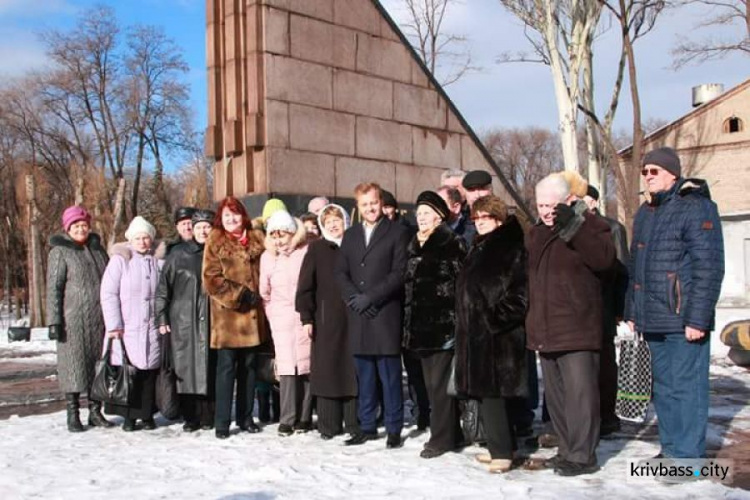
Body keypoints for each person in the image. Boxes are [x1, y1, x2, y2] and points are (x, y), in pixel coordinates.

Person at [625, 147, 724, 459]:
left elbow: (708, 266)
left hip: (683, 320)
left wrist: (698, 318)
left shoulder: (696, 207)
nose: (648, 176)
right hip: (651, 318)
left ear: (673, 173)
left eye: (654, 171)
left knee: (687, 390)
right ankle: (670, 449)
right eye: (644, 171)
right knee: (663, 390)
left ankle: (687, 457)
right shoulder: (645, 211)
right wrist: (632, 312)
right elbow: (635, 267)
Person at [526, 174, 615, 476]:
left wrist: (574, 227)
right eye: (540, 205)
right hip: (545, 328)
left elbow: (604, 260)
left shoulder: (590, 224)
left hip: (577, 326)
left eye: (552, 205)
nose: (546, 212)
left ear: (568, 201)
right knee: (558, 398)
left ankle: (582, 455)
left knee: (581, 397)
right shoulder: (536, 232)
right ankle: (566, 449)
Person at [455, 195, 528, 473]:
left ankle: (502, 452)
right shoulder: (480, 247)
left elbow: (519, 296)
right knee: (486, 394)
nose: (480, 223)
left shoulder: (510, 248)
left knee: (495, 394)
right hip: (475, 336)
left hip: (498, 337)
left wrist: (490, 320)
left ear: (498, 218)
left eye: (486, 217)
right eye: (476, 218)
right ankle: (500, 446)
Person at [335, 182, 410, 449]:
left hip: (384, 313)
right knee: (364, 376)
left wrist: (372, 297)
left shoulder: (397, 232)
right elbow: (341, 272)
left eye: (374, 203)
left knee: (389, 377)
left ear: (381, 203)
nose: (370, 208)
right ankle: (366, 426)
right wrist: (354, 297)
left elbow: (399, 273)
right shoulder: (351, 234)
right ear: (358, 207)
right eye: (365, 204)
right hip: (358, 313)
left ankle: (393, 428)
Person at [403, 191, 466, 459]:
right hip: (420, 328)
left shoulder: (452, 242)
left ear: (440, 217)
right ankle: (453, 432)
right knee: (431, 385)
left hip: (442, 327)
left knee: (440, 386)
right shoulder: (415, 244)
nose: (421, 219)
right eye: (418, 214)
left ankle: (441, 439)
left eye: (427, 214)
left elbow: (461, 283)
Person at [203, 197, 268, 439]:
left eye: (236, 214)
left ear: (244, 216)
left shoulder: (256, 239)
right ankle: (222, 421)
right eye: (227, 215)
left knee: (249, 369)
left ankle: (245, 416)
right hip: (228, 318)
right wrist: (239, 294)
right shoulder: (215, 240)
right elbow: (211, 278)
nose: (232, 219)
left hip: (252, 317)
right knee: (226, 369)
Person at [46, 205, 113, 432]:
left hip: (99, 319)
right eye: (76, 225)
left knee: (97, 367)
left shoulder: (98, 250)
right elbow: (54, 288)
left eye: (84, 225)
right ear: (68, 228)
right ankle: (72, 413)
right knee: (73, 367)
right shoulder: (60, 252)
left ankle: (95, 412)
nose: (81, 229)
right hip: (72, 320)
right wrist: (54, 321)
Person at [296, 204, 359, 440]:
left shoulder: (356, 245)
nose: (334, 224)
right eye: (329, 220)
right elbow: (305, 287)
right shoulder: (316, 249)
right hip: (326, 320)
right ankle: (329, 424)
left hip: (354, 318)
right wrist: (307, 317)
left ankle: (354, 422)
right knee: (327, 369)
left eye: (337, 219)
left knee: (352, 370)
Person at [100, 216, 166, 431]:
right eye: (138, 237)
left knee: (149, 373)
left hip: (152, 326)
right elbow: (108, 293)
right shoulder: (120, 260)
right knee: (129, 372)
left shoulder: (159, 261)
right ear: (130, 239)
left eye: (146, 237)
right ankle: (128, 416)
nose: (143, 242)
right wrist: (114, 324)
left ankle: (147, 415)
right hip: (127, 327)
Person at [155, 209, 217, 432]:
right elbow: (163, 289)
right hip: (184, 321)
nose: (202, 231)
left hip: (212, 320)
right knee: (187, 369)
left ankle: (210, 414)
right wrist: (161, 316)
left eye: (206, 227)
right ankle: (190, 416)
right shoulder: (178, 255)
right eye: (198, 227)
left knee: (210, 367)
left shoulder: (218, 253)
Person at [260, 210, 312, 437]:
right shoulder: (267, 258)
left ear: (293, 233)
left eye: (283, 235)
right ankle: (287, 417)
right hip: (281, 318)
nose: (279, 240)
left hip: (304, 316)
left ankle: (305, 417)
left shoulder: (306, 252)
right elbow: (265, 293)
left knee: (306, 365)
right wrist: (274, 316)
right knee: (286, 367)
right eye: (274, 236)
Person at [583, 185, 630, 436]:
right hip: (582, 308)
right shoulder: (575, 229)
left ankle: (608, 416)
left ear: (594, 201)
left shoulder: (612, 228)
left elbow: (622, 269)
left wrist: (621, 309)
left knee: (605, 364)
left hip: (604, 304)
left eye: (585, 199)